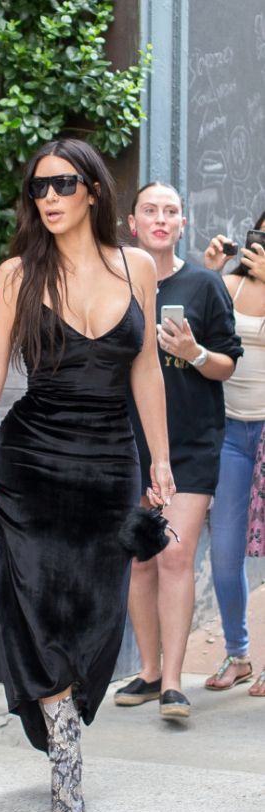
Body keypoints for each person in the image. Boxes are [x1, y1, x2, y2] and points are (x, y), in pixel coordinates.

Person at [0, 139, 175, 812]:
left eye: (62, 185)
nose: (48, 198)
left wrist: (161, 458)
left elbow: (146, 367)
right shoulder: (17, 275)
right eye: (38, 188)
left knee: (101, 610)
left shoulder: (137, 266)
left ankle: (68, 713)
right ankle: (64, 746)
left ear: (94, 190)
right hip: (31, 461)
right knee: (36, 602)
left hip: (110, 462)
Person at [114, 183, 242, 718]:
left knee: (175, 553)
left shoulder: (205, 285)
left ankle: (172, 682)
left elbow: (227, 364)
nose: (161, 219)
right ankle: (147, 672)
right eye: (150, 210)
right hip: (127, 442)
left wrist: (194, 352)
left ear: (183, 224)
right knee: (139, 557)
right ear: (132, 223)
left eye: (171, 211)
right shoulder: (116, 282)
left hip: (192, 441)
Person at [202, 211, 265, 697]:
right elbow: (200, 339)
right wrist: (210, 274)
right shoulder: (229, 285)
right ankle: (238, 654)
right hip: (228, 432)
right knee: (224, 554)